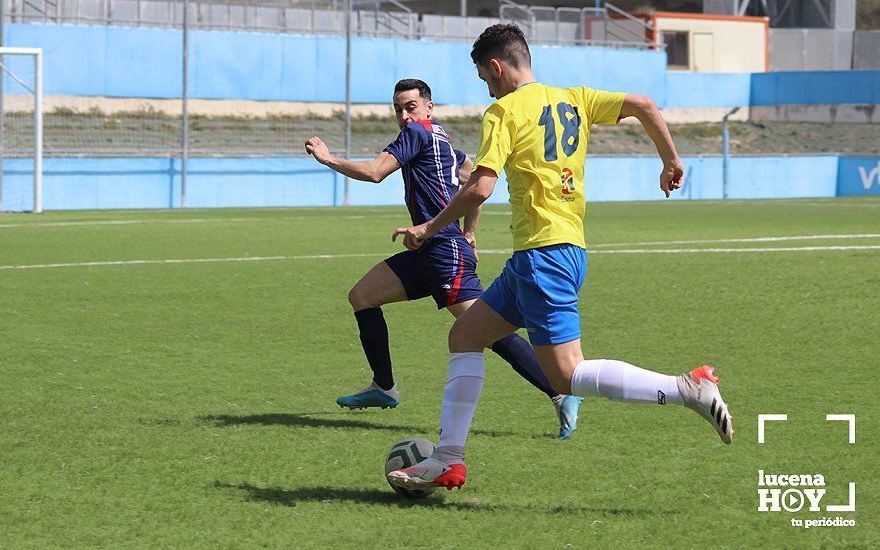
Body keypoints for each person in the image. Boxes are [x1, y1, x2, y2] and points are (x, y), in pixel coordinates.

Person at [388, 25, 734, 491]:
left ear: (496, 67)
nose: (487, 88)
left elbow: (481, 186)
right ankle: (448, 459)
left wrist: (430, 227)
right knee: (465, 335)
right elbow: (646, 106)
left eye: (485, 78)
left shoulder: (503, 111)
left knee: (568, 375)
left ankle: (687, 389)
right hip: (556, 252)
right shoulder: (575, 96)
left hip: (542, 257)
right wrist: (670, 160)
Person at [305, 78, 583, 439]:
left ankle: (559, 390)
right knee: (362, 296)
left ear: (428, 107)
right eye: (398, 109)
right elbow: (472, 178)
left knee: (488, 329)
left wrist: (327, 158)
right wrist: (470, 232)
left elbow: (375, 172)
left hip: (442, 253)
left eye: (411, 107)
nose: (405, 116)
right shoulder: (442, 139)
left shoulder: (418, 134)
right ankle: (384, 387)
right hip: (428, 248)